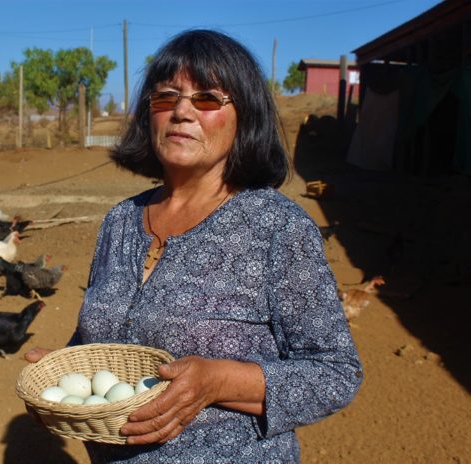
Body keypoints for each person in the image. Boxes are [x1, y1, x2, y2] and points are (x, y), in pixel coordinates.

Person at [26, 29, 362, 463]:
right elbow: (104, 339)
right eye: (166, 97)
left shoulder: (275, 226)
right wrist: (67, 374)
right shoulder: (121, 221)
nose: (182, 112)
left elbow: (335, 374)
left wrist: (218, 381)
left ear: (245, 118)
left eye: (207, 99)